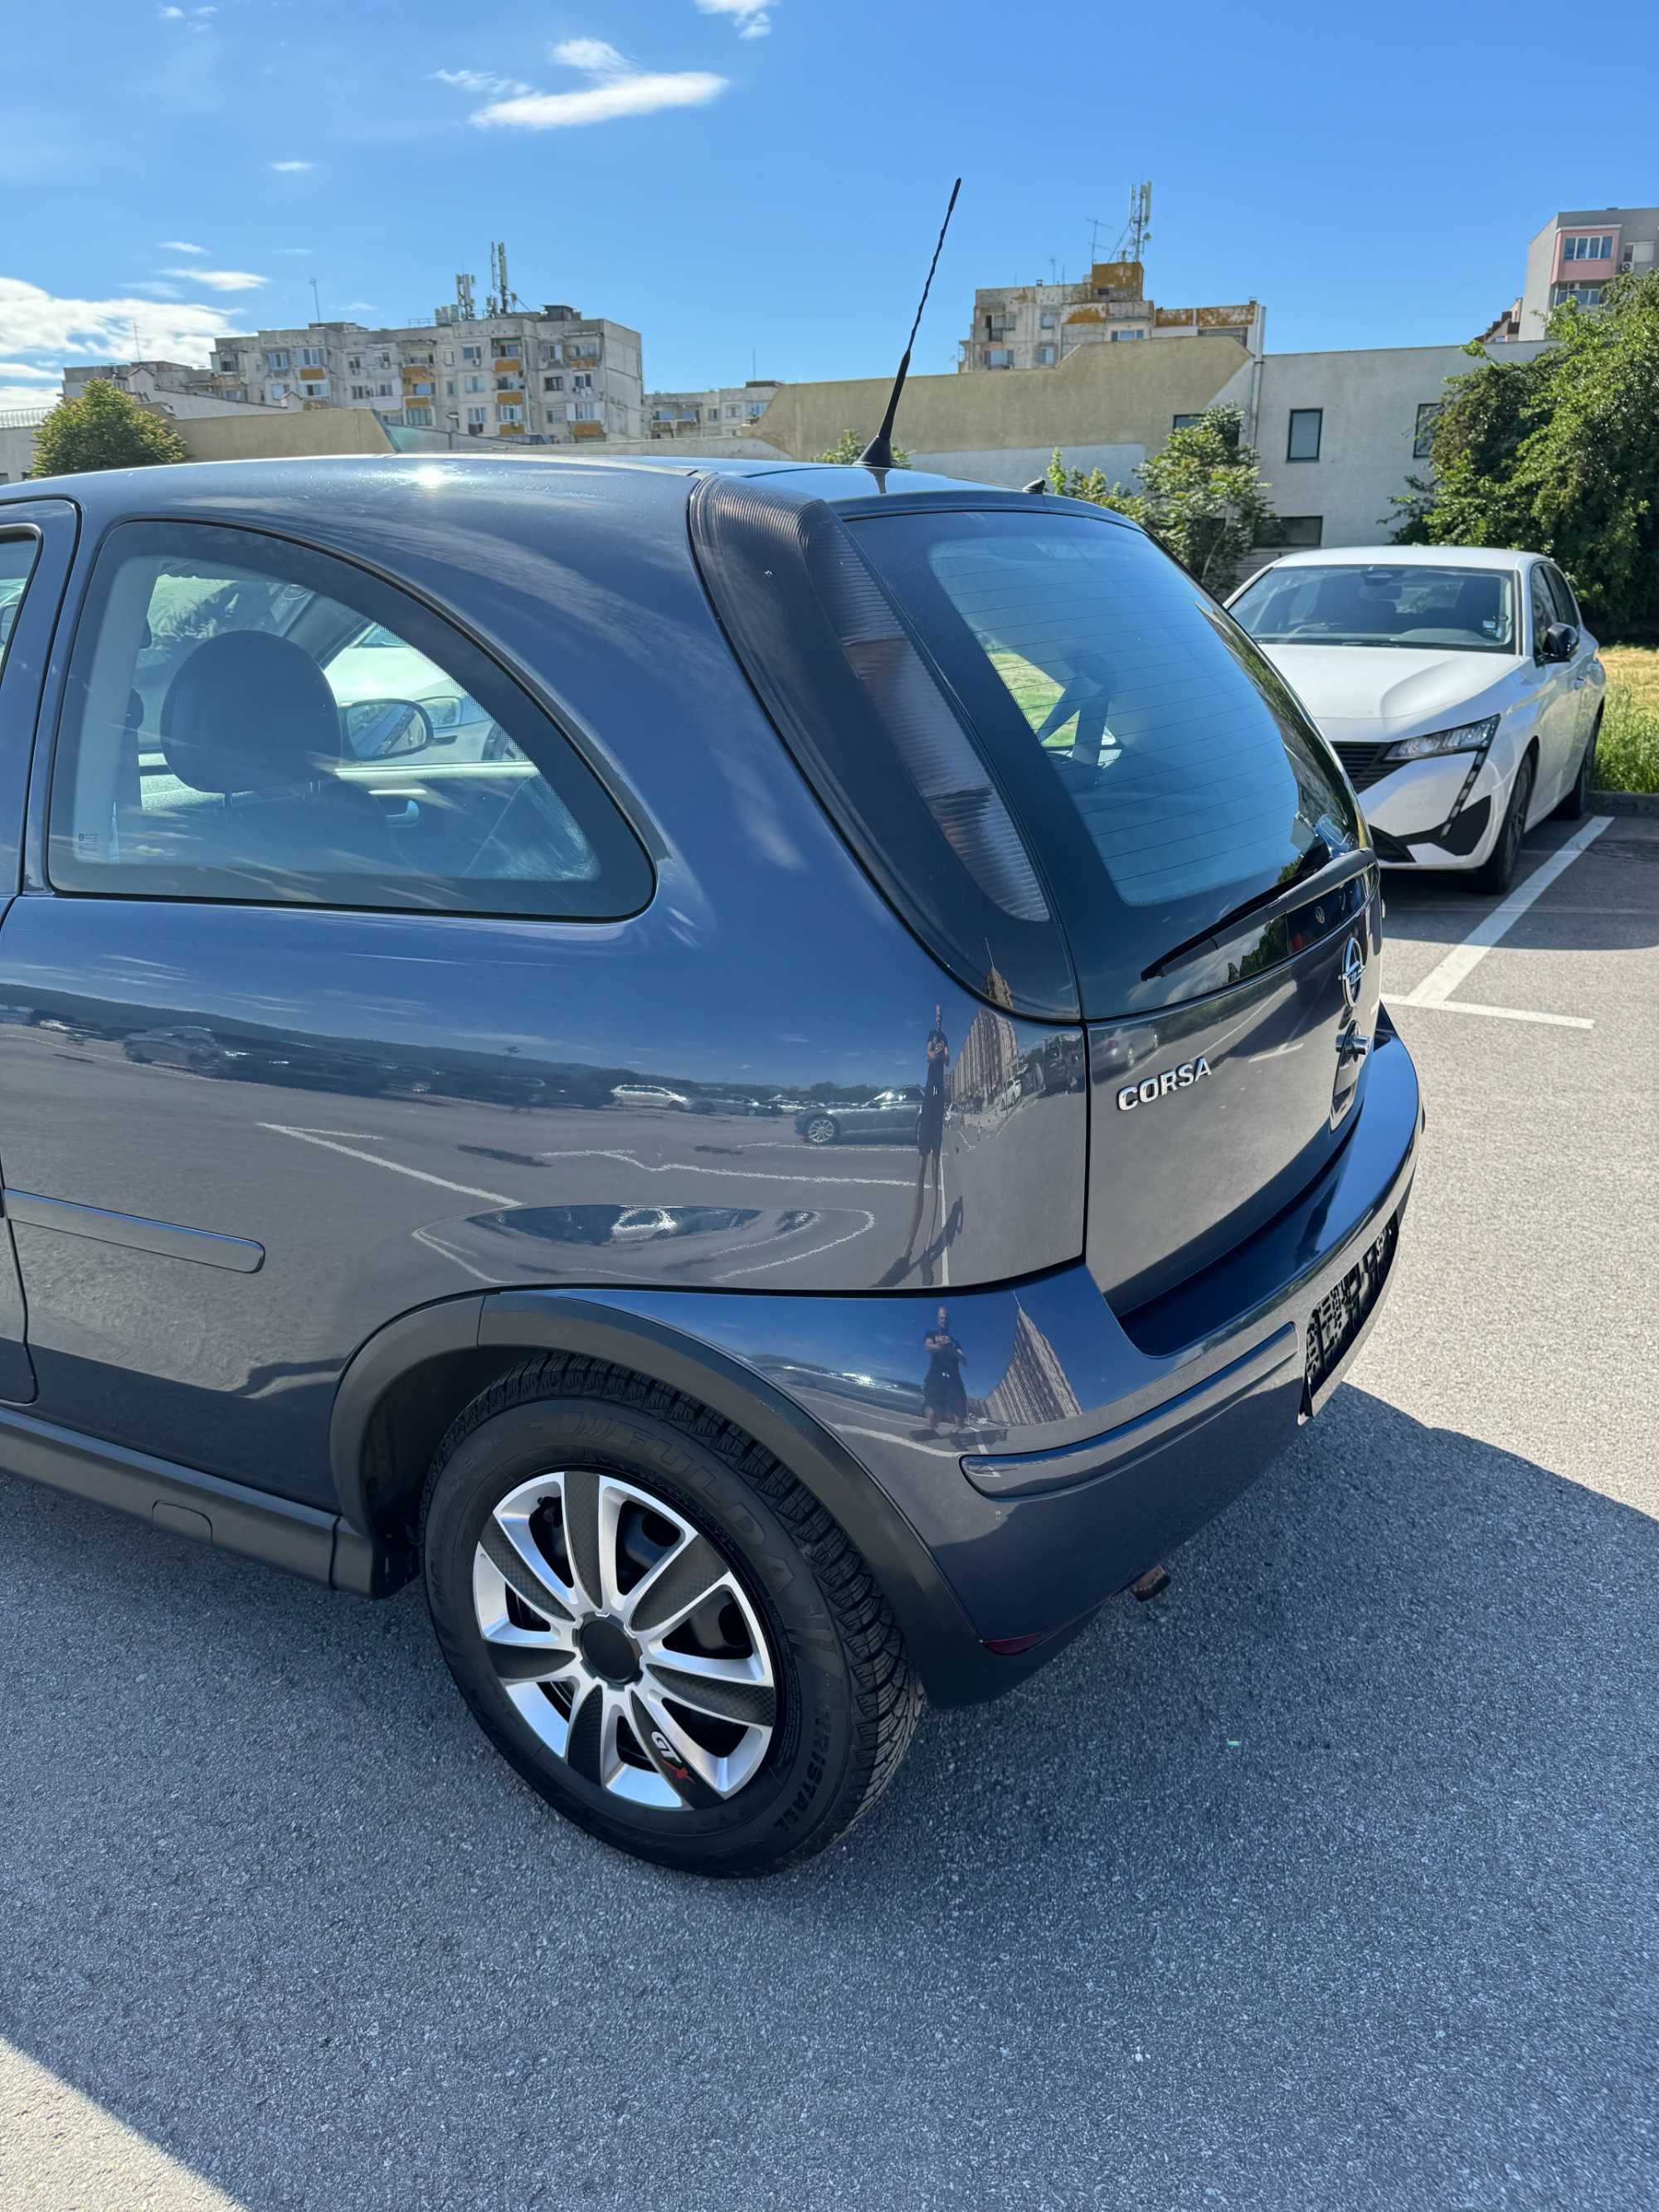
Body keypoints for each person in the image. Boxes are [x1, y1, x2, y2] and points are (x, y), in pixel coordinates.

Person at [903, 1005, 949, 1264]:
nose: (940, 1018)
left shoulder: (945, 1039)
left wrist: (943, 1054)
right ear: (935, 1017)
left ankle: (926, 1246)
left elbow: (946, 1059)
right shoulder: (932, 1035)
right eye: (938, 1015)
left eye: (942, 1015)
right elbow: (928, 1057)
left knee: (934, 1165)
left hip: (939, 1094)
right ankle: (909, 1246)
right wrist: (935, 1053)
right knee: (922, 1163)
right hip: (930, 1093)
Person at [921, 1305, 967, 1434]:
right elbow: (928, 1347)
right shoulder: (931, 1334)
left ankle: (957, 1430)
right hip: (935, 1375)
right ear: (938, 1320)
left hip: (953, 1378)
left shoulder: (955, 1342)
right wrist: (940, 1346)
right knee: (932, 1412)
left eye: (946, 1318)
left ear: (949, 1321)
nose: (943, 1320)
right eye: (941, 1318)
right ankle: (933, 1422)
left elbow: (963, 1360)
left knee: (958, 1412)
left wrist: (951, 1347)